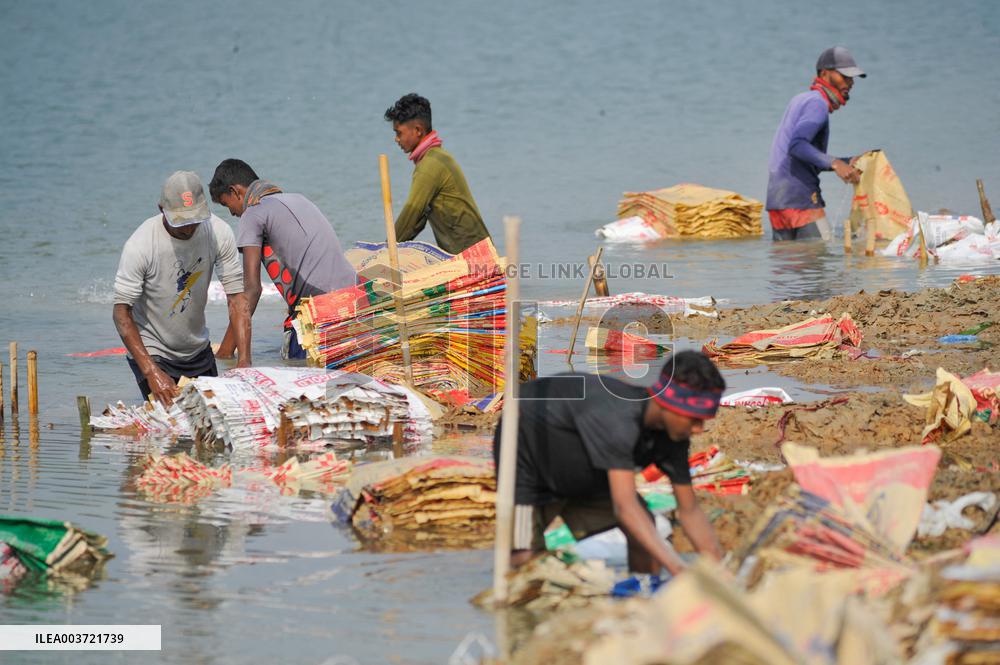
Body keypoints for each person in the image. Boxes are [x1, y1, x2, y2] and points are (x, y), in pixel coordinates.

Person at [493, 351, 725, 576]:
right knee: (524, 560)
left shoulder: (675, 438)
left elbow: (690, 510)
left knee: (646, 536)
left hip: (586, 467)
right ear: (668, 403)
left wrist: (718, 569)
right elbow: (626, 507)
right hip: (529, 457)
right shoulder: (620, 419)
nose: (698, 429)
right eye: (694, 419)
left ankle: (642, 594)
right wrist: (678, 569)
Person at [113, 171, 251, 406]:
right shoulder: (141, 244)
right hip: (153, 351)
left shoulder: (218, 233)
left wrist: (245, 362)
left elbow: (238, 300)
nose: (188, 229)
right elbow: (121, 315)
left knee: (214, 423)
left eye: (194, 219)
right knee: (172, 432)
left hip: (198, 348)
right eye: (181, 221)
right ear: (161, 209)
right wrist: (151, 373)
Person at [208, 159, 357, 360]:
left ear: (235, 192)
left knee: (291, 358)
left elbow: (252, 290)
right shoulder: (299, 199)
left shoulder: (253, 214)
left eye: (227, 205)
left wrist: (225, 353)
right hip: (355, 302)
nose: (232, 213)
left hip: (321, 315)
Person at [766, 46, 866, 241]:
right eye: (844, 76)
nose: (850, 83)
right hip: (801, 200)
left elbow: (802, 156)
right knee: (820, 260)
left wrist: (847, 161)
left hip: (778, 201)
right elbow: (797, 145)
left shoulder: (801, 99)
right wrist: (836, 164)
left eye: (852, 78)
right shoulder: (817, 104)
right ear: (825, 73)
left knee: (790, 266)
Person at [384, 93, 491, 254]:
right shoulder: (438, 156)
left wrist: (383, 252)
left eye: (399, 133)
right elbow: (417, 222)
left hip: (471, 256)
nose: (396, 139)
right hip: (472, 252)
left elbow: (411, 216)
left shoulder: (429, 166)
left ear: (418, 130)